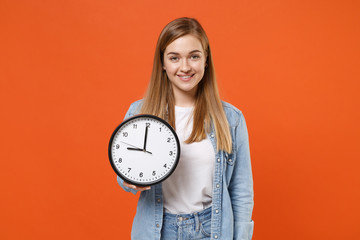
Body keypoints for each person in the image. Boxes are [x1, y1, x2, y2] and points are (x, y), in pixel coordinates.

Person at [117, 17, 254, 240]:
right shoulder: (140, 112)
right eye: (174, 58)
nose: (185, 67)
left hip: (212, 230)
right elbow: (124, 171)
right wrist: (128, 180)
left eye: (194, 56)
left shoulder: (231, 119)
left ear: (205, 59)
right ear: (162, 63)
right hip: (158, 230)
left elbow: (241, 192)